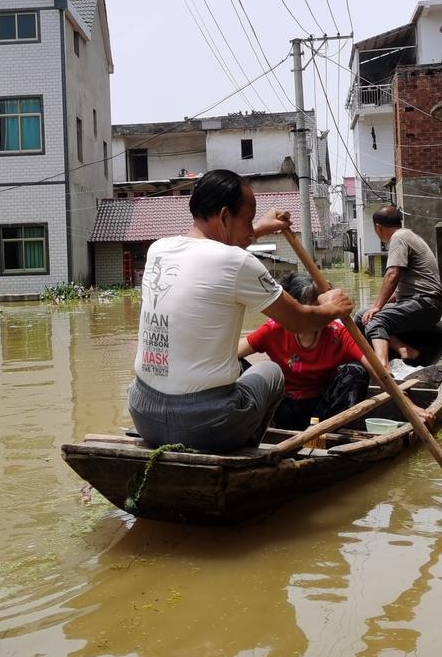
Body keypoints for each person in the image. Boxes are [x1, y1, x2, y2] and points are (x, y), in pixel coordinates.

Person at [129, 169, 354, 453]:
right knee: (271, 371)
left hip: (143, 413)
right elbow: (298, 320)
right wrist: (334, 307)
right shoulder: (237, 261)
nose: (250, 232)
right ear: (224, 216)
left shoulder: (158, 249)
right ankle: (247, 456)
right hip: (205, 425)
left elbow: (214, 248)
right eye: (247, 221)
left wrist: (260, 227)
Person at [239, 272, 372, 431]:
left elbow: (374, 366)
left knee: (357, 372)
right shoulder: (274, 329)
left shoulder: (337, 333)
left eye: (323, 307)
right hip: (280, 408)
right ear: (295, 309)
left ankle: (324, 433)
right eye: (314, 308)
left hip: (322, 413)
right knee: (237, 366)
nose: (322, 314)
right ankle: (256, 427)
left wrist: (399, 394)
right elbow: (229, 355)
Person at [361, 206, 442, 371]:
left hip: (425, 304)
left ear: (378, 227)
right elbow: (400, 290)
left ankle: (383, 368)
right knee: (361, 316)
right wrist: (376, 307)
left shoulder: (398, 238)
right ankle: (405, 350)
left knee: (376, 320)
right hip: (422, 303)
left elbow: (392, 274)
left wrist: (377, 306)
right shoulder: (407, 235)